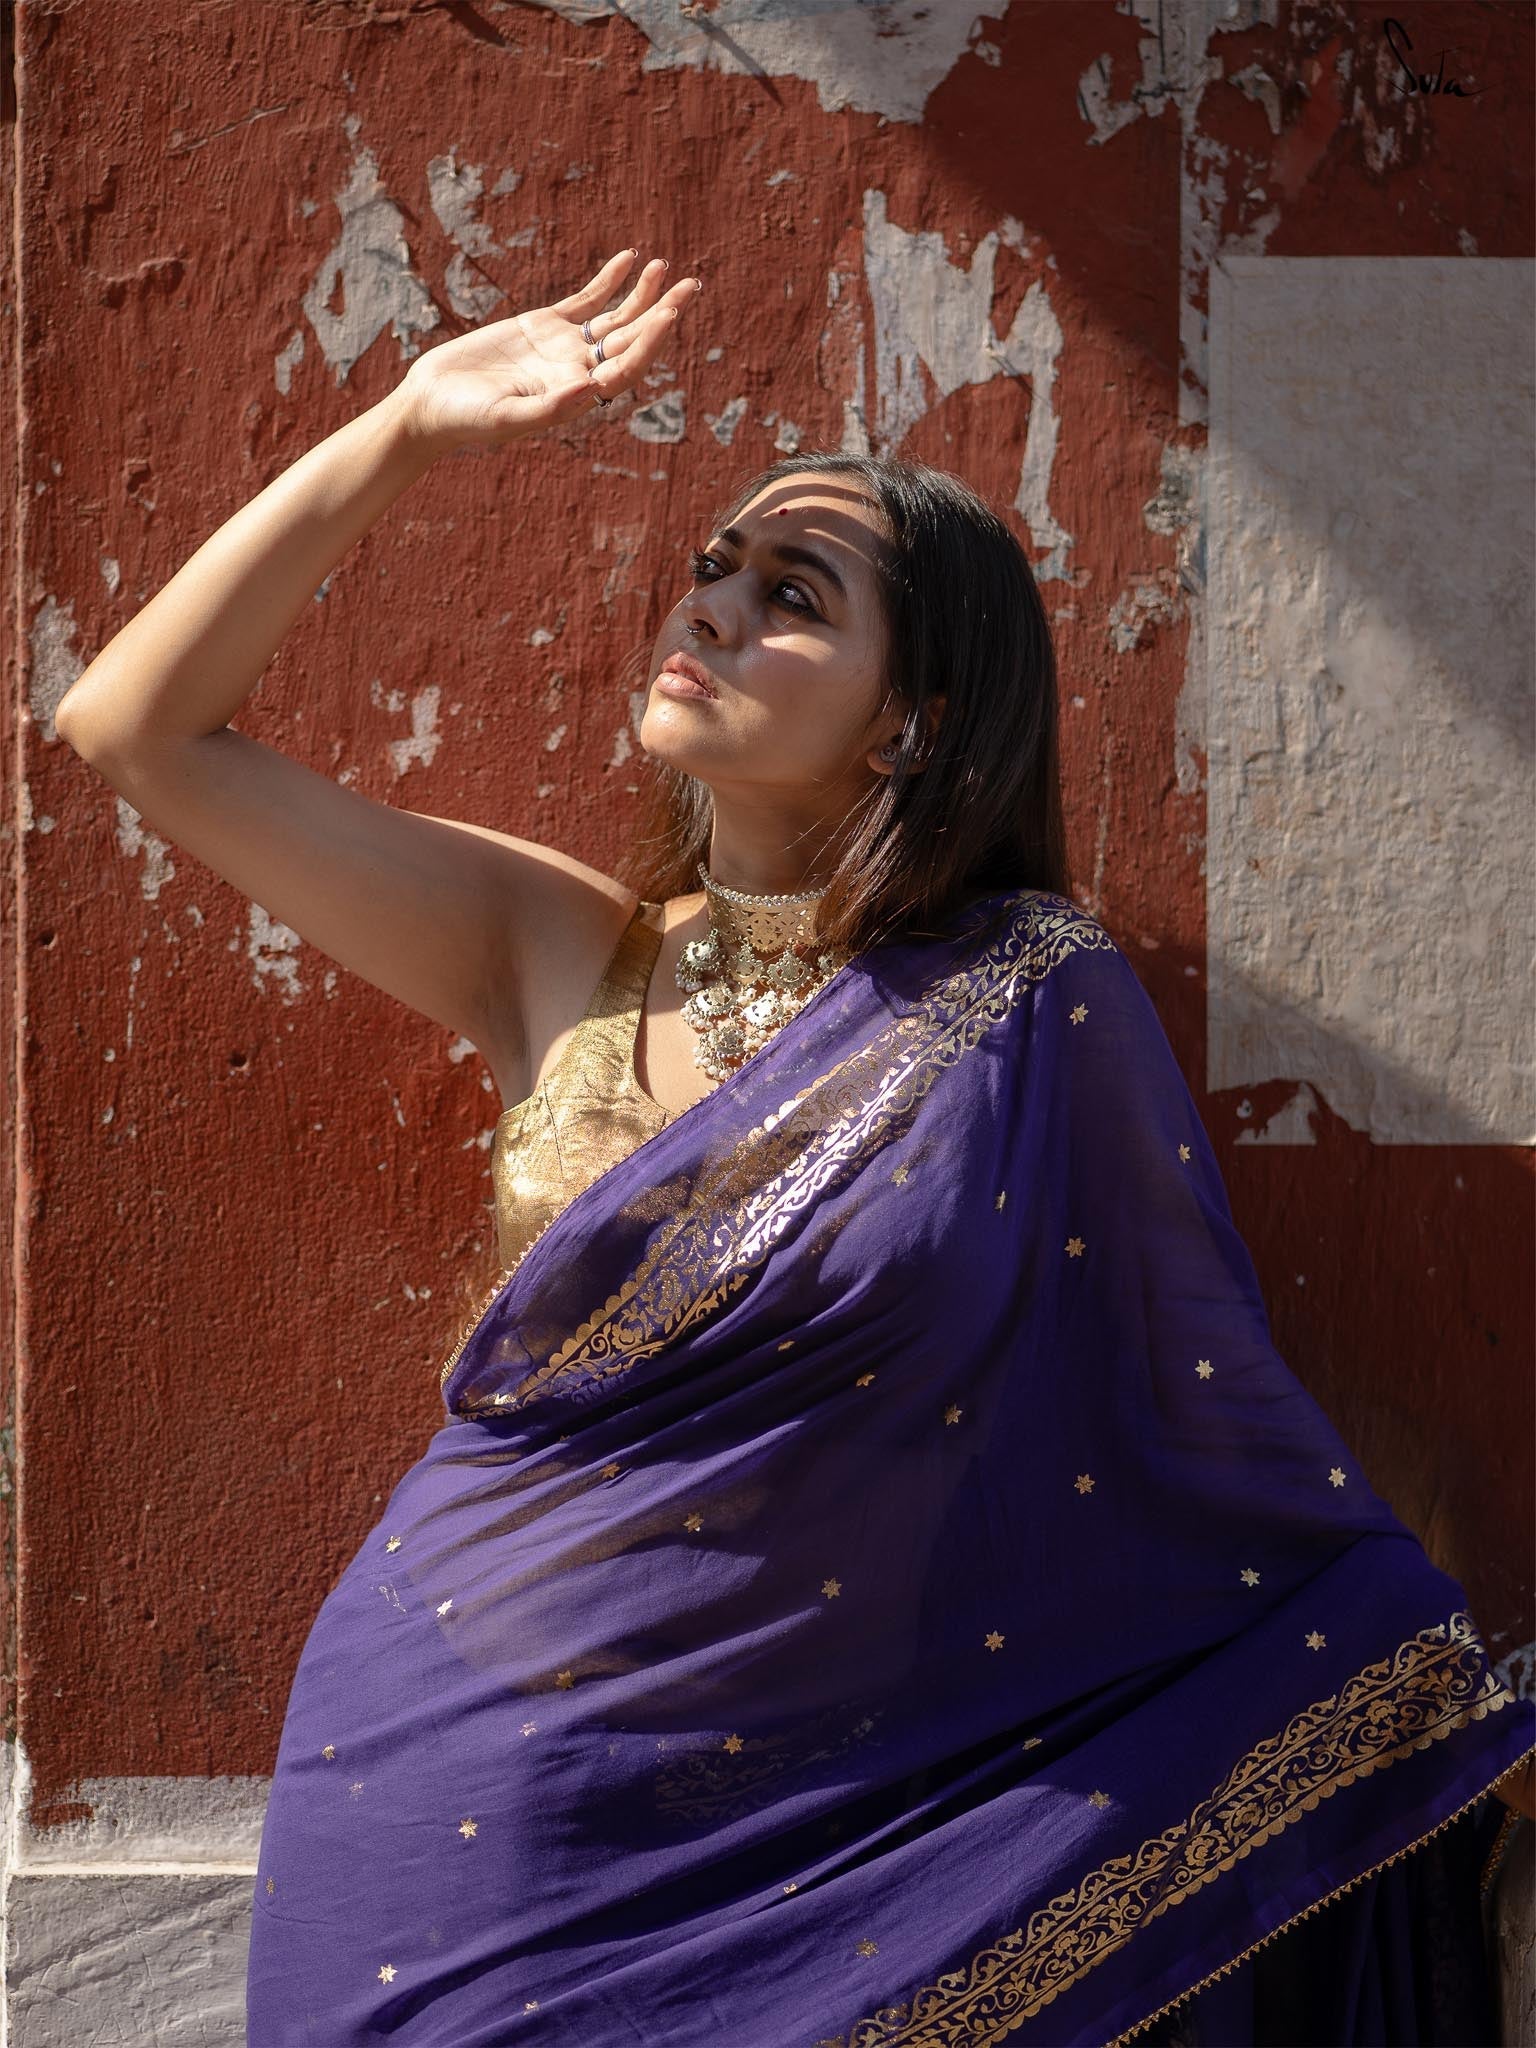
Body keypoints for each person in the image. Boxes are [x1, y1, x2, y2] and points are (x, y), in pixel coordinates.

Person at [58, 246, 1532, 2047]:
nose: (712, 611)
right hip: (451, 1775)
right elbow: (129, 728)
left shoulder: (1025, 1004)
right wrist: (408, 428)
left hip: (836, 1825)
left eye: (791, 597)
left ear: (914, 720)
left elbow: (1178, 1421)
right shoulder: (560, 949)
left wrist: (1388, 1665)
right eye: (714, 569)